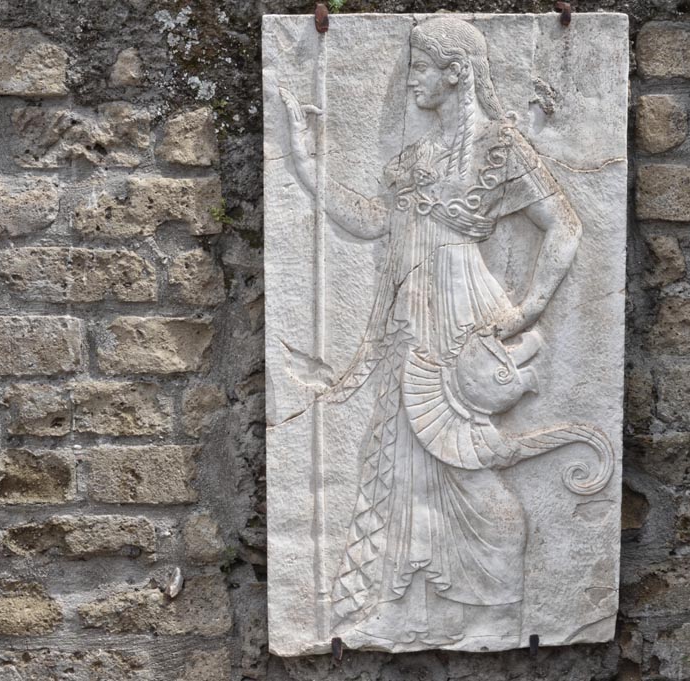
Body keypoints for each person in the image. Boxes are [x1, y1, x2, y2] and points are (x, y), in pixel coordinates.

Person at [281, 16, 584, 649]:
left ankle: (499, 608)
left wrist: (530, 307)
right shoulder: (416, 157)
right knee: (402, 466)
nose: (410, 80)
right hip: (410, 319)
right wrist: (308, 167)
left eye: (420, 67)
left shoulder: (499, 147)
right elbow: (373, 222)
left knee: (469, 464)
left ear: (456, 73)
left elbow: (565, 225)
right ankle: (406, 609)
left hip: (465, 320)